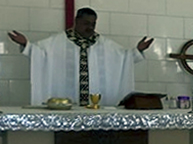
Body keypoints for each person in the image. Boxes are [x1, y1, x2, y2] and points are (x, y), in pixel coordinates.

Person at [7, 7, 153, 106]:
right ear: (76, 22)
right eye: (86, 23)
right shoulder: (58, 42)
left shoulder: (104, 44)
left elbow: (124, 58)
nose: (90, 27)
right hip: (66, 109)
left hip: (96, 110)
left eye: (93, 24)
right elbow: (38, 52)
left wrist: (137, 51)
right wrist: (26, 44)